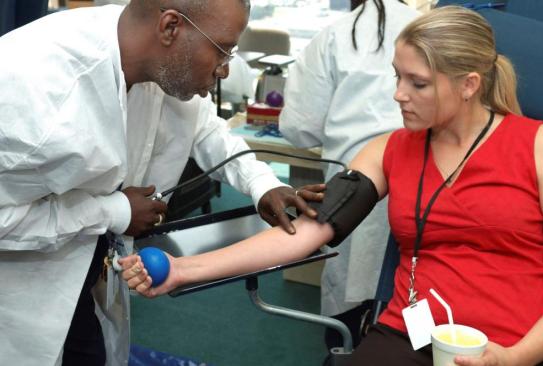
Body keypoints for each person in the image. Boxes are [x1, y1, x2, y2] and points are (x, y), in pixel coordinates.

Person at [122, 5, 543, 366]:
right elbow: (304, 235)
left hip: (515, 347)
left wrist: (516, 357)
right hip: (410, 339)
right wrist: (185, 270)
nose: (398, 95)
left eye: (417, 83)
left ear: (469, 84)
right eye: (397, 78)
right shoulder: (390, 150)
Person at [0, 1, 321, 365]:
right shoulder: (36, 96)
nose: (226, 69)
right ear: (170, 28)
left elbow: (205, 126)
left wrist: (262, 183)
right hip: (20, 294)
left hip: (81, 268)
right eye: (221, 50)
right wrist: (114, 210)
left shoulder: (146, 56)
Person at [278, 0, 420, 352]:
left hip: (354, 190)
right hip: (422, 183)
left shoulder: (333, 37)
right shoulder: (428, 30)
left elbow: (299, 127)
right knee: (414, 295)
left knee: (351, 302)